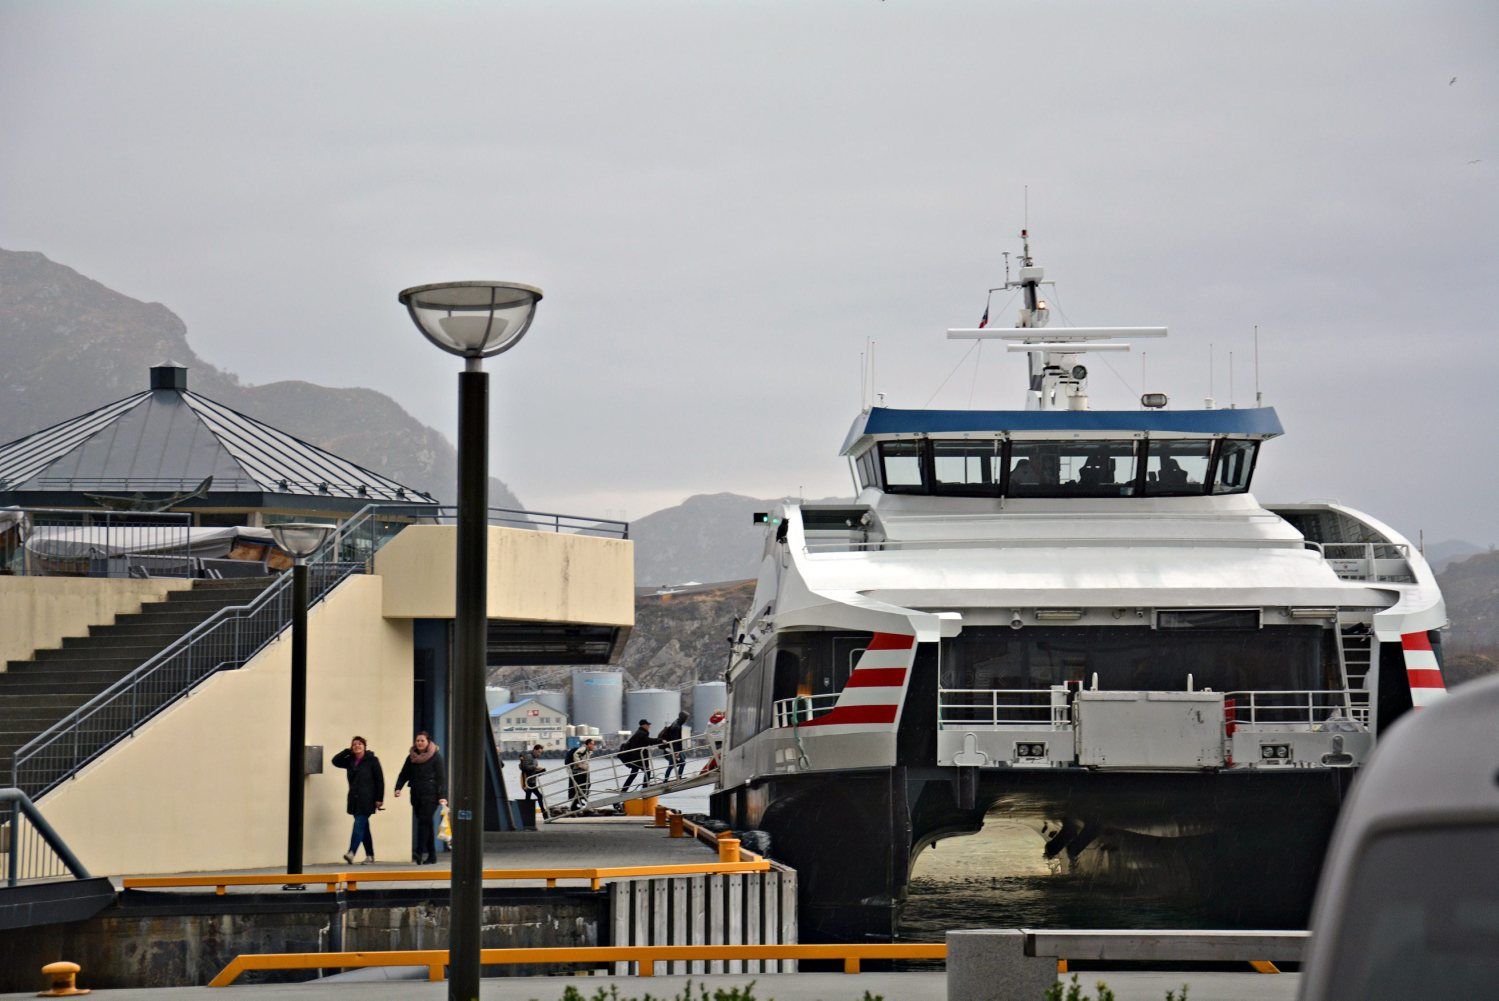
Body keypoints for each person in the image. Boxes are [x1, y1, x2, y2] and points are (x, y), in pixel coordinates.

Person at [393, 731, 447, 865]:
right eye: (417, 740)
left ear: (428, 742)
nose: (419, 743)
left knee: (424, 820)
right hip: (416, 795)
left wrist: (442, 796)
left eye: (422, 740)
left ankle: (418, 851)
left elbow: (441, 778)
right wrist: (398, 787)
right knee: (426, 823)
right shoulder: (411, 757)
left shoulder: (436, 757)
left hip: (431, 795)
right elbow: (404, 774)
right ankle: (432, 856)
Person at [331, 736, 384, 865]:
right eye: (354, 744)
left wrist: (379, 798)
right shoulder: (350, 760)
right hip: (354, 798)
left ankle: (351, 852)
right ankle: (370, 856)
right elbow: (335, 761)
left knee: (359, 824)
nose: (357, 746)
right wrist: (347, 751)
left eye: (360, 744)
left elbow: (379, 780)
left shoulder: (372, 760)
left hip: (367, 798)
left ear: (364, 746)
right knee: (364, 827)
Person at [619, 719, 657, 792]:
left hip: (636, 758)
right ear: (644, 725)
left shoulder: (640, 733)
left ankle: (624, 790)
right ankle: (645, 788)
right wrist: (660, 740)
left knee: (634, 774)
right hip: (638, 758)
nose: (649, 726)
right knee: (647, 771)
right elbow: (649, 741)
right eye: (648, 725)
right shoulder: (641, 734)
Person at [657, 711, 690, 782]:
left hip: (672, 748)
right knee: (681, 763)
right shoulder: (676, 726)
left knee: (673, 764)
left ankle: (666, 780)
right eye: (686, 718)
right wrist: (676, 752)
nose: (686, 720)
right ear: (683, 718)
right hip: (673, 749)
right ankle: (678, 778)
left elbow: (678, 740)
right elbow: (675, 740)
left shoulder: (677, 723)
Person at [564, 738, 596, 810]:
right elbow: (576, 754)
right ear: (588, 744)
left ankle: (577, 802)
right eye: (593, 744)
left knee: (579, 787)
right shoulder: (583, 749)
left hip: (581, 772)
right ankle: (579, 801)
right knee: (584, 786)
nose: (594, 746)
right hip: (579, 771)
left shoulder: (587, 750)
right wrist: (579, 764)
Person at [519, 744, 549, 817]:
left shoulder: (535, 758)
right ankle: (543, 813)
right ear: (534, 750)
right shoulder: (529, 756)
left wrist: (540, 771)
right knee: (538, 796)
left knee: (529, 798)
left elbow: (532, 770)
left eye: (541, 752)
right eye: (538, 752)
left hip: (532, 780)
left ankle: (526, 814)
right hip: (528, 781)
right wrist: (536, 767)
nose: (539, 754)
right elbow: (525, 768)